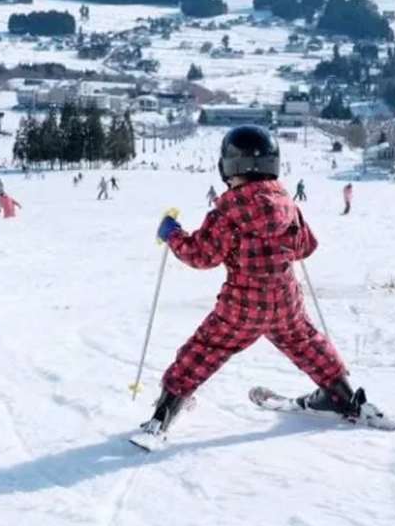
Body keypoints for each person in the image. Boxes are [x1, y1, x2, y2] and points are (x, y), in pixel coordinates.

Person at [140, 125, 376, 438]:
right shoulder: (289, 206)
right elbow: (306, 247)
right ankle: (344, 397)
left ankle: (164, 412)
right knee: (308, 344)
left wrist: (172, 234)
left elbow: (200, 256)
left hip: (242, 307)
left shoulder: (227, 213)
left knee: (204, 350)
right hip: (285, 303)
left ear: (228, 167)